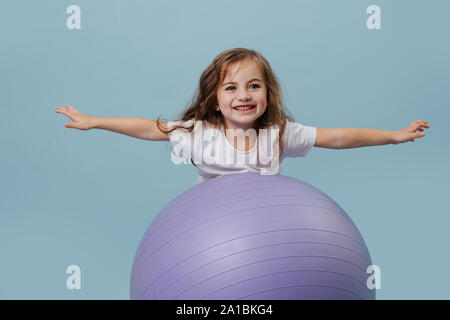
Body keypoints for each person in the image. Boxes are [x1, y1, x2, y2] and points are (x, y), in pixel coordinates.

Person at [55, 48, 429, 184]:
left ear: (268, 94)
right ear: (215, 100)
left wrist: (394, 135)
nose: (244, 96)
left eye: (254, 86)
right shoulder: (198, 130)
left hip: (265, 224)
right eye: (231, 88)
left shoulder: (279, 134)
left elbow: (337, 137)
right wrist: (95, 121)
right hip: (211, 228)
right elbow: (149, 128)